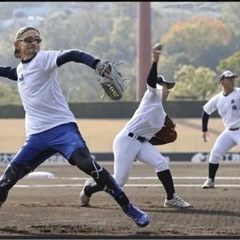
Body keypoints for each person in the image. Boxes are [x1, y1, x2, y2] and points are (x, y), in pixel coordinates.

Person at [0, 26, 150, 228]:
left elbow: (73, 54)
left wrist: (96, 64)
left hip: (62, 129)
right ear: (17, 44)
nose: (35, 43)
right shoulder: (20, 71)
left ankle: (129, 207)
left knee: (87, 163)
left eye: (38, 39)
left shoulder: (44, 59)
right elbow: (8, 71)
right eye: (29, 40)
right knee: (7, 180)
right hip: (36, 136)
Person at [80, 44, 191, 209]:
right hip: (126, 140)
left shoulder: (161, 115)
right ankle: (89, 189)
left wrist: (163, 141)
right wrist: (155, 62)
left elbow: (154, 139)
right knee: (119, 181)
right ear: (160, 87)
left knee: (161, 163)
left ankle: (171, 198)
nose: (168, 90)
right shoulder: (152, 95)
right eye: (167, 86)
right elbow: (150, 81)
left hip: (140, 142)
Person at [201, 70, 239, 189]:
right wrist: (204, 130)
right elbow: (205, 112)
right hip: (229, 131)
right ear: (222, 82)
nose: (233, 80)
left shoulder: (238, 93)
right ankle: (210, 180)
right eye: (229, 78)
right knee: (215, 153)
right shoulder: (217, 99)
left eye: (233, 78)